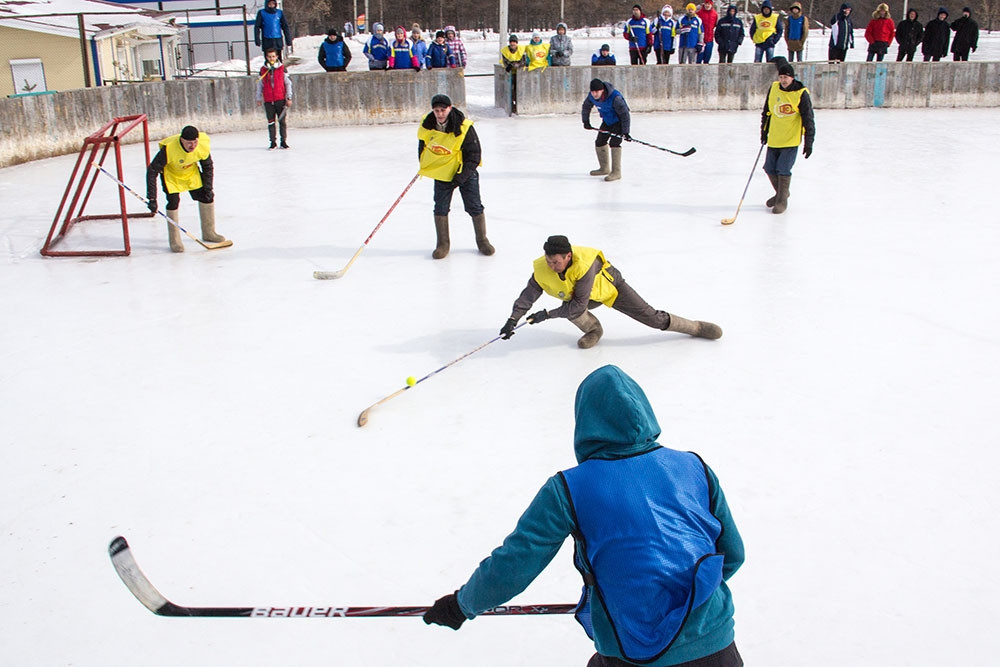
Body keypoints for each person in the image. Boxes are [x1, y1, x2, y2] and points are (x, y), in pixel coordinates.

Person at [423, 363, 744, 667]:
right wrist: (674, 598)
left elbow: (514, 563)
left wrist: (461, 605)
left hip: (635, 652)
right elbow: (732, 554)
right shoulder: (694, 468)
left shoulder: (569, 488)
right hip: (717, 644)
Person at [496, 236, 723, 347]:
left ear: (568, 256)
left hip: (610, 289)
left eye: (555, 262)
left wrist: (548, 315)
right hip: (578, 297)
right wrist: (512, 319)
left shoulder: (586, 263)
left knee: (652, 318)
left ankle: (695, 327)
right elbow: (528, 295)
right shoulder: (542, 268)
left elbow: (577, 305)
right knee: (572, 309)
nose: (551, 266)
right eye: (548, 261)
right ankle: (594, 331)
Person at [417, 94, 493, 259]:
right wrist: (425, 166)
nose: (440, 114)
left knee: (474, 206)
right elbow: (423, 148)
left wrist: (460, 178)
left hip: (465, 173)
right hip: (442, 173)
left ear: (450, 108)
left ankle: (482, 240)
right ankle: (443, 244)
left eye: (443, 110)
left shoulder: (464, 127)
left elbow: (474, 155)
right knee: (440, 208)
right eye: (436, 110)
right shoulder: (428, 125)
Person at [146, 126, 225, 253]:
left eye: (195, 142)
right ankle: (175, 240)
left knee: (207, 196)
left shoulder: (202, 145)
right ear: (182, 140)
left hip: (190, 173)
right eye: (189, 142)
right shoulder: (169, 149)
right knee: (173, 202)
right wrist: (152, 198)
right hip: (172, 175)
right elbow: (152, 170)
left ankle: (209, 232)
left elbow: (208, 166)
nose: (193, 145)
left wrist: (208, 187)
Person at [760, 61, 814, 215]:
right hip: (775, 136)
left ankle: (782, 200)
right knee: (769, 168)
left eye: (786, 77)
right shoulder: (774, 88)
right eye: (781, 77)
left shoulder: (801, 93)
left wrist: (809, 142)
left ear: (792, 78)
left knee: (783, 168)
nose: (783, 80)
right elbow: (767, 112)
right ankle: (782, 193)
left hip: (790, 139)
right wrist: (764, 132)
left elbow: (808, 118)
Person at [582, 79, 630, 182]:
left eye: (597, 91)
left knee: (614, 143)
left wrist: (626, 132)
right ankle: (604, 168)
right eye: (592, 91)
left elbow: (625, 115)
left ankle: (616, 172)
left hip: (619, 122)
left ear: (602, 90)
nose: (594, 94)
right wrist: (585, 121)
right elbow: (586, 107)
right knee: (600, 142)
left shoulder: (615, 98)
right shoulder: (591, 97)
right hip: (607, 121)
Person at [256, 47, 292, 150]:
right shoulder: (263, 70)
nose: (271, 58)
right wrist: (258, 98)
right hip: (268, 100)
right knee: (271, 122)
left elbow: (288, 83)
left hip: (280, 99)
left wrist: (289, 97)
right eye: (269, 57)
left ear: (276, 57)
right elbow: (260, 85)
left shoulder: (282, 69)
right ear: (266, 57)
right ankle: (272, 142)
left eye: (273, 56)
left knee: (282, 121)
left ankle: (283, 141)